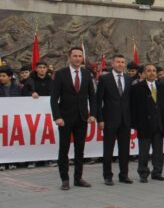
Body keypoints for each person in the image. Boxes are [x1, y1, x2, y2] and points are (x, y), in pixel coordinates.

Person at [50, 47, 97, 190]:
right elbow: (54, 99)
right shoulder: (60, 74)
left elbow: (92, 96)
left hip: (82, 118)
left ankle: (78, 178)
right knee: (64, 149)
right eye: (75, 56)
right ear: (69, 57)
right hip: (65, 118)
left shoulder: (87, 73)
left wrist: (93, 114)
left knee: (80, 149)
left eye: (80, 56)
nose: (77, 58)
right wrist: (57, 117)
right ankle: (65, 179)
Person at [96, 54, 133, 186]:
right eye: (118, 62)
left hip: (125, 120)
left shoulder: (129, 79)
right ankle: (108, 176)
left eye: (123, 62)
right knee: (108, 149)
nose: (120, 64)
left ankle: (124, 175)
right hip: (109, 119)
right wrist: (100, 119)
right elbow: (98, 100)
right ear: (112, 64)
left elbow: (131, 101)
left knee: (124, 149)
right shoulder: (104, 79)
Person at [130, 64, 164, 183]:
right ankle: (143, 173)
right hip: (144, 125)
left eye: (154, 71)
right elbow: (133, 108)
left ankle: (157, 172)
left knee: (158, 151)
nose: (152, 73)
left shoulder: (162, 86)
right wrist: (135, 124)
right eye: (149, 71)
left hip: (158, 124)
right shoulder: (137, 88)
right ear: (143, 73)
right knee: (144, 152)